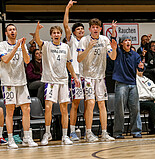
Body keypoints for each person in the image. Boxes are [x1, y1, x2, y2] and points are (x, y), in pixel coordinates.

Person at [35, 22, 80, 145]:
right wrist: (37, 30)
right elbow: (38, 40)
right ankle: (47, 133)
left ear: (61, 35)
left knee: (64, 109)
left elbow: (69, 63)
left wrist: (75, 77)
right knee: (48, 107)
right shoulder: (46, 45)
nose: (56, 34)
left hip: (63, 80)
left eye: (58, 33)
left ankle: (65, 135)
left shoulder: (65, 47)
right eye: (54, 33)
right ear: (51, 35)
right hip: (50, 81)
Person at [0, 24, 38, 148]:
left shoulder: (22, 45)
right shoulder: (1, 45)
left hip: (21, 81)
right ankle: (10, 139)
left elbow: (26, 60)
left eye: (14, 29)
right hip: (8, 82)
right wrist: (16, 46)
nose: (12, 31)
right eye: (10, 30)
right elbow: (5, 59)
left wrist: (23, 47)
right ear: (6, 33)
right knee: (10, 111)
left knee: (27, 109)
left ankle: (27, 137)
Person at [77, 18, 116, 142]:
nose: (95, 29)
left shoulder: (105, 40)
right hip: (88, 76)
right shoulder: (84, 40)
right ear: (90, 29)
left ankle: (104, 133)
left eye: (97, 27)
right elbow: (79, 59)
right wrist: (88, 48)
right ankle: (88, 133)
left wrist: (114, 49)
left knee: (102, 104)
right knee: (90, 103)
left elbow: (113, 57)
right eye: (92, 27)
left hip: (100, 77)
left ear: (100, 29)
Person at [111, 22, 143, 139]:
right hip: (121, 84)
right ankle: (118, 132)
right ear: (122, 43)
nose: (128, 42)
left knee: (135, 109)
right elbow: (113, 40)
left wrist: (141, 67)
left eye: (129, 40)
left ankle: (136, 131)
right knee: (119, 110)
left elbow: (140, 70)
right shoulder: (118, 52)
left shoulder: (135, 55)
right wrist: (114, 29)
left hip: (133, 84)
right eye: (125, 40)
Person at [63, 0, 86, 141]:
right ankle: (72, 131)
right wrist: (67, 8)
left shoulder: (88, 41)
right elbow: (65, 25)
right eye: (78, 29)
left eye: (82, 29)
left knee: (89, 103)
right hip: (76, 75)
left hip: (88, 75)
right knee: (75, 104)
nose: (81, 31)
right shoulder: (71, 40)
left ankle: (88, 131)